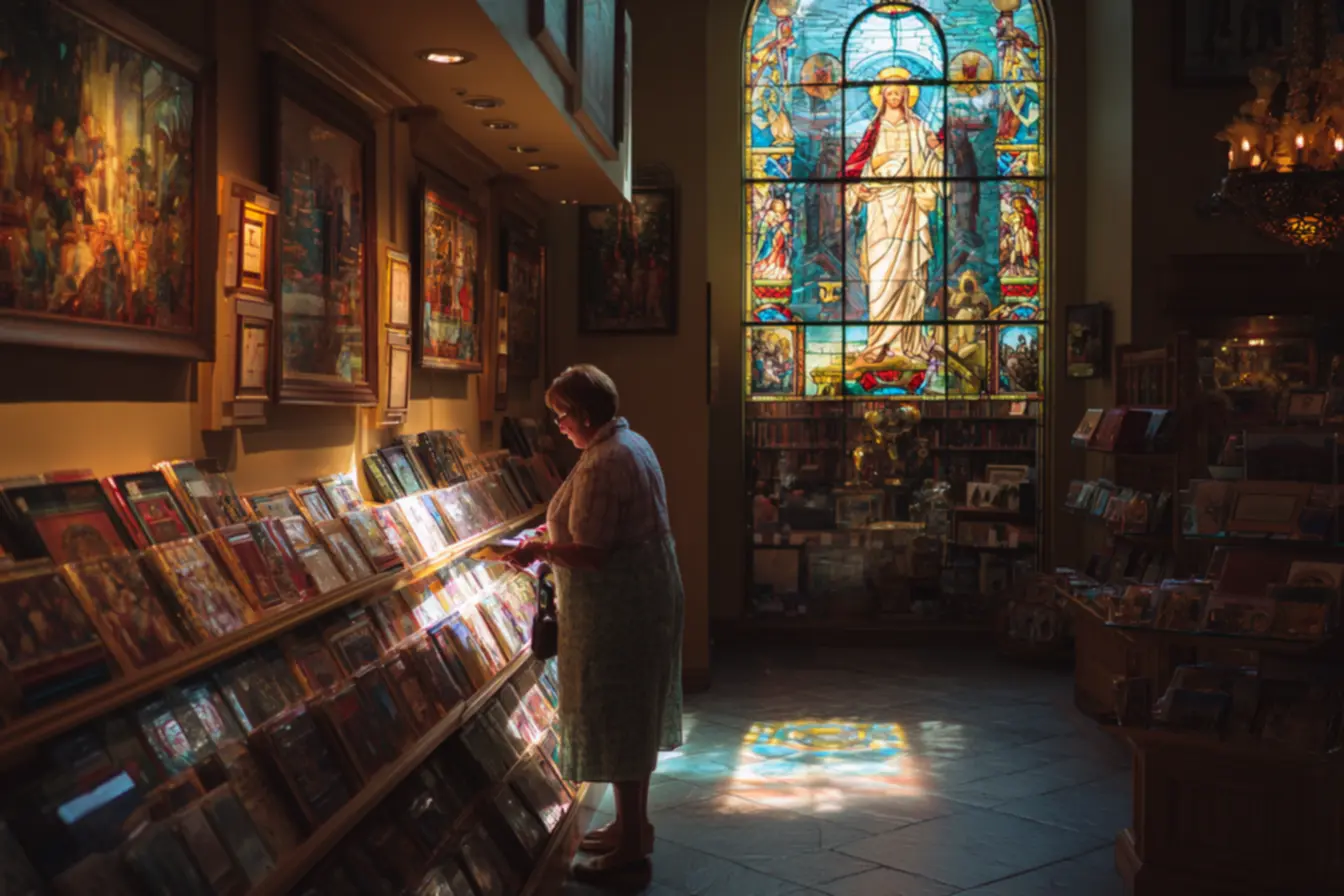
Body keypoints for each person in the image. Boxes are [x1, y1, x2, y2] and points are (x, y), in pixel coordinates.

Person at [503, 364, 684, 887]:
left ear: (583, 414)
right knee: (631, 716)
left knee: (621, 718)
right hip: (642, 598)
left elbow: (592, 551)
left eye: (561, 416)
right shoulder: (629, 443)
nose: (558, 426)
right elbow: (598, 525)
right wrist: (548, 534)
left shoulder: (604, 462)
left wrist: (539, 551)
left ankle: (629, 846)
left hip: (619, 609)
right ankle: (632, 825)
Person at [844, 67, 944, 366]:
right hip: (879, 207)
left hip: (909, 205)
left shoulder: (918, 127)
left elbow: (932, 164)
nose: (895, 96)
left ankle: (906, 343)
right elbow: (860, 168)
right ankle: (878, 341)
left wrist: (937, 150)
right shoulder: (874, 130)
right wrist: (858, 190)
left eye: (900, 92)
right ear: (881, 96)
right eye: (889, 92)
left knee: (909, 273)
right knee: (880, 274)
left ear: (907, 95)